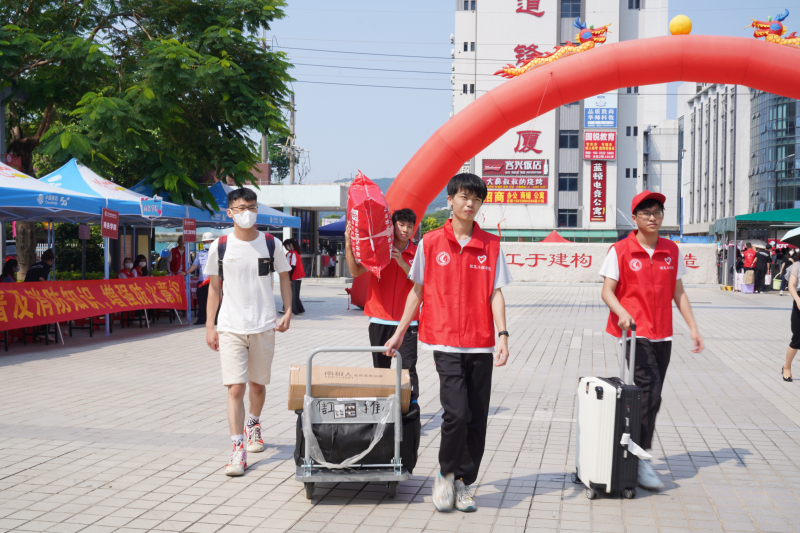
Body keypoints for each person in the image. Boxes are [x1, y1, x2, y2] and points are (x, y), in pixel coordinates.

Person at [385, 173, 512, 513]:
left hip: (481, 342)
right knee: (457, 413)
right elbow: (418, 291)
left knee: (477, 418)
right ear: (451, 199)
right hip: (444, 341)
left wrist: (502, 334)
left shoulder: (491, 245)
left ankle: (463, 482)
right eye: (464, 197)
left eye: (477, 199)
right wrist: (399, 332)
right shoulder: (430, 243)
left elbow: (496, 293)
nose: (470, 204)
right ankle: (445, 473)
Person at [599, 190, 704, 491]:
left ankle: (634, 451)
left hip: (663, 333)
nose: (652, 217)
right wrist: (622, 312)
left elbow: (678, 291)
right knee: (650, 393)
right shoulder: (620, 250)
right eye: (645, 212)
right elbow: (607, 291)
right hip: (634, 332)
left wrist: (693, 328)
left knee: (650, 397)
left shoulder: (671, 249)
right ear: (634, 218)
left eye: (657, 212)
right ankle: (640, 458)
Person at [204, 188, 293, 476]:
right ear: (230, 212)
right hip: (230, 326)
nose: (248, 213)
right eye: (241, 208)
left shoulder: (270, 243)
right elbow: (214, 288)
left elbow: (284, 277)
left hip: (264, 324)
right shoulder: (219, 246)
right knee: (235, 387)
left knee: (257, 385)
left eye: (252, 207)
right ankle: (237, 449)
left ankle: (253, 423)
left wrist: (288, 311)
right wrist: (210, 325)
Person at [345, 208, 421, 402]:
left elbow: (421, 284)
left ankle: (410, 411)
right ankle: (383, 410)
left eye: (409, 226)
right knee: (380, 370)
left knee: (408, 369)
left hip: (408, 322)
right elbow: (355, 272)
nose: (405, 229)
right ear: (392, 226)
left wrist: (402, 263)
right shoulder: (380, 251)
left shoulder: (418, 253)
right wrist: (348, 244)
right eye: (401, 225)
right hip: (380, 319)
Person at [186, 232, 215, 325]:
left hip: (213, 282)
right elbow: (194, 265)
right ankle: (201, 319)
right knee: (202, 302)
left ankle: (215, 320)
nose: (206, 243)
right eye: (204, 242)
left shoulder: (217, 253)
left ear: (212, 242)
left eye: (208, 242)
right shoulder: (200, 254)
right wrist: (186, 272)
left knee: (214, 302)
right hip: (202, 282)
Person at [782, 258, 800, 381]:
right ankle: (787, 367)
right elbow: (791, 285)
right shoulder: (797, 265)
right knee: (797, 338)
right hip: (799, 301)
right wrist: (798, 300)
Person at [283, 238, 305, 315]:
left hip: (295, 276)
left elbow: (293, 266)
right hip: (297, 276)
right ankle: (300, 309)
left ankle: (294, 310)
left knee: (294, 294)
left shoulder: (294, 254)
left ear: (291, 245)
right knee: (295, 293)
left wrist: (289, 278)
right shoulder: (296, 253)